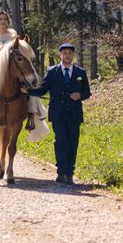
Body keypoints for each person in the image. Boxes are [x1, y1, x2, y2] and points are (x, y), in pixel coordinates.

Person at [0, 10, 49, 142]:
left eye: (5, 18)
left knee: (26, 85)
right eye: (0, 19)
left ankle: (32, 113)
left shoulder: (13, 34)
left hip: (10, 65)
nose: (3, 21)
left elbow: (17, 49)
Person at [23, 42, 91, 184]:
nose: (67, 55)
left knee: (73, 143)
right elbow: (42, 89)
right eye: (64, 53)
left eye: (70, 53)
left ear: (73, 55)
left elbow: (87, 92)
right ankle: (61, 172)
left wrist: (79, 95)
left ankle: (70, 173)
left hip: (74, 114)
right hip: (58, 113)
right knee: (61, 142)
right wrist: (28, 91)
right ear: (60, 55)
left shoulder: (80, 72)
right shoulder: (52, 71)